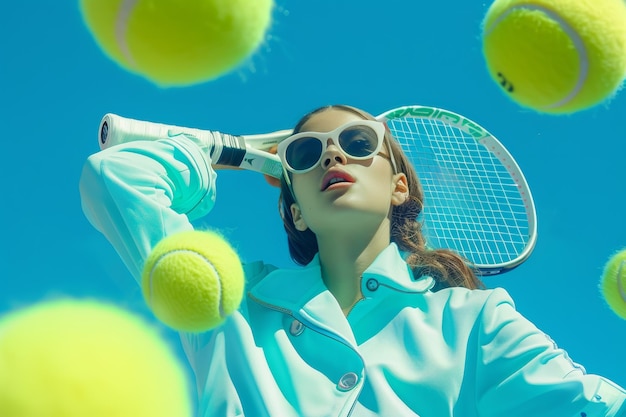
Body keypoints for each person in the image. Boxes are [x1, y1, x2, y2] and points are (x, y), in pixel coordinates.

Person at [79, 104, 626, 417]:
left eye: (358, 141)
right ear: (295, 213)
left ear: (398, 186)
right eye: (306, 153)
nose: (334, 153)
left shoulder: (473, 322)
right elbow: (116, 179)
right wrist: (227, 150)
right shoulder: (230, 304)